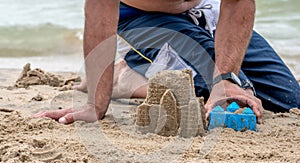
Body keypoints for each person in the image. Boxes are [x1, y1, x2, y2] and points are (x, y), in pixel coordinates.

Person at [33, 0, 300, 125]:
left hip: (206, 10)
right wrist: (95, 104)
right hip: (143, 17)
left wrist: (227, 77)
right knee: (207, 97)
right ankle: (121, 79)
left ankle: (133, 74)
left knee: (288, 100)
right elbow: (99, 8)